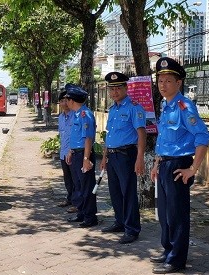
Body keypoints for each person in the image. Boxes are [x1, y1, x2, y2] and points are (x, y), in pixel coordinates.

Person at [150, 57, 209, 274]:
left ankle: (176, 260)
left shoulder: (184, 106)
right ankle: (168, 251)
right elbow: (164, 138)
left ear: (179, 83)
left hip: (179, 165)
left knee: (177, 215)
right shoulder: (165, 106)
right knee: (165, 213)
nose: (163, 84)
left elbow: (202, 137)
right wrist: (157, 162)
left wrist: (193, 169)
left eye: (168, 80)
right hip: (165, 163)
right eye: (160, 80)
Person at [99, 72, 147, 244]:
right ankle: (120, 222)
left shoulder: (134, 108)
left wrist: (140, 158)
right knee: (115, 192)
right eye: (112, 89)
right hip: (112, 156)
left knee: (128, 193)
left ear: (126, 88)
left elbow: (141, 134)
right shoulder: (112, 110)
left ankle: (132, 229)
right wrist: (104, 157)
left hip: (127, 156)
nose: (115, 92)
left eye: (118, 88)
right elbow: (109, 136)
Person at [64, 83, 99, 228]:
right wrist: (71, 151)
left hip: (84, 156)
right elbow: (77, 137)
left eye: (67, 99)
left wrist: (86, 159)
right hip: (76, 154)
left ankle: (90, 217)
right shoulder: (77, 114)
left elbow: (88, 139)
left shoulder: (85, 115)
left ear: (72, 100)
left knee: (86, 187)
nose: (66, 102)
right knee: (79, 186)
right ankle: (82, 213)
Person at [56, 90, 76, 213]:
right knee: (67, 178)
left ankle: (76, 202)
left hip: (73, 152)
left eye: (66, 100)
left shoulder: (76, 115)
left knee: (76, 179)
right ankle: (69, 198)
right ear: (59, 103)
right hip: (63, 152)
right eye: (62, 100)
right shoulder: (61, 117)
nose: (65, 103)